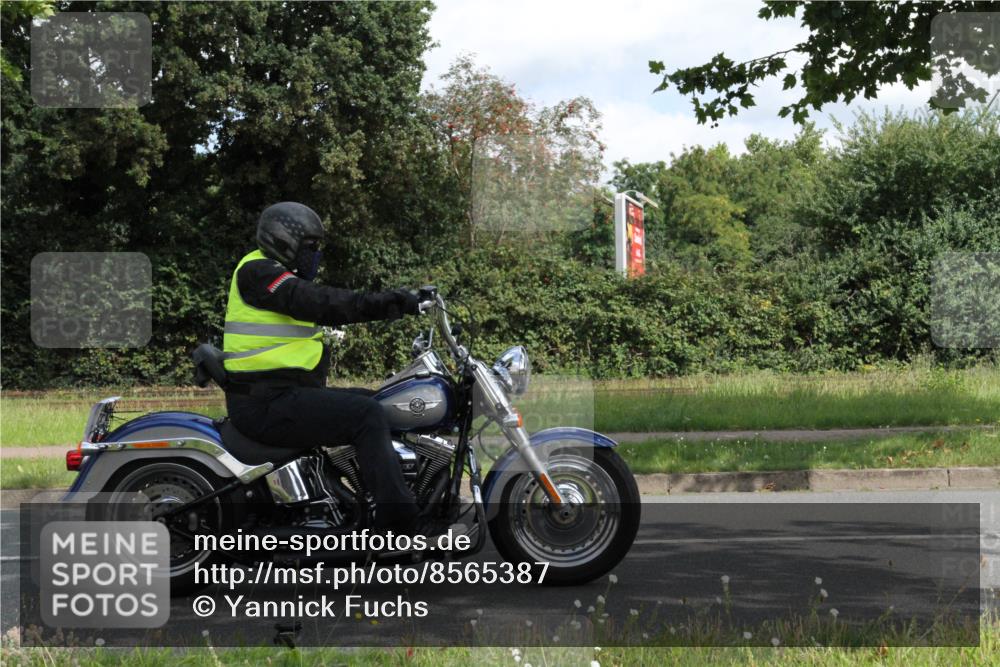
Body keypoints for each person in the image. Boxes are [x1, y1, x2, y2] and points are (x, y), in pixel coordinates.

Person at [222, 201, 422, 532]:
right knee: (365, 415)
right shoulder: (259, 272)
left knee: (381, 402)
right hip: (265, 403)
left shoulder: (272, 272)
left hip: (283, 395)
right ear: (283, 240)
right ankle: (399, 524)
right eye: (310, 246)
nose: (314, 254)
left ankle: (364, 498)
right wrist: (389, 303)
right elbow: (318, 301)